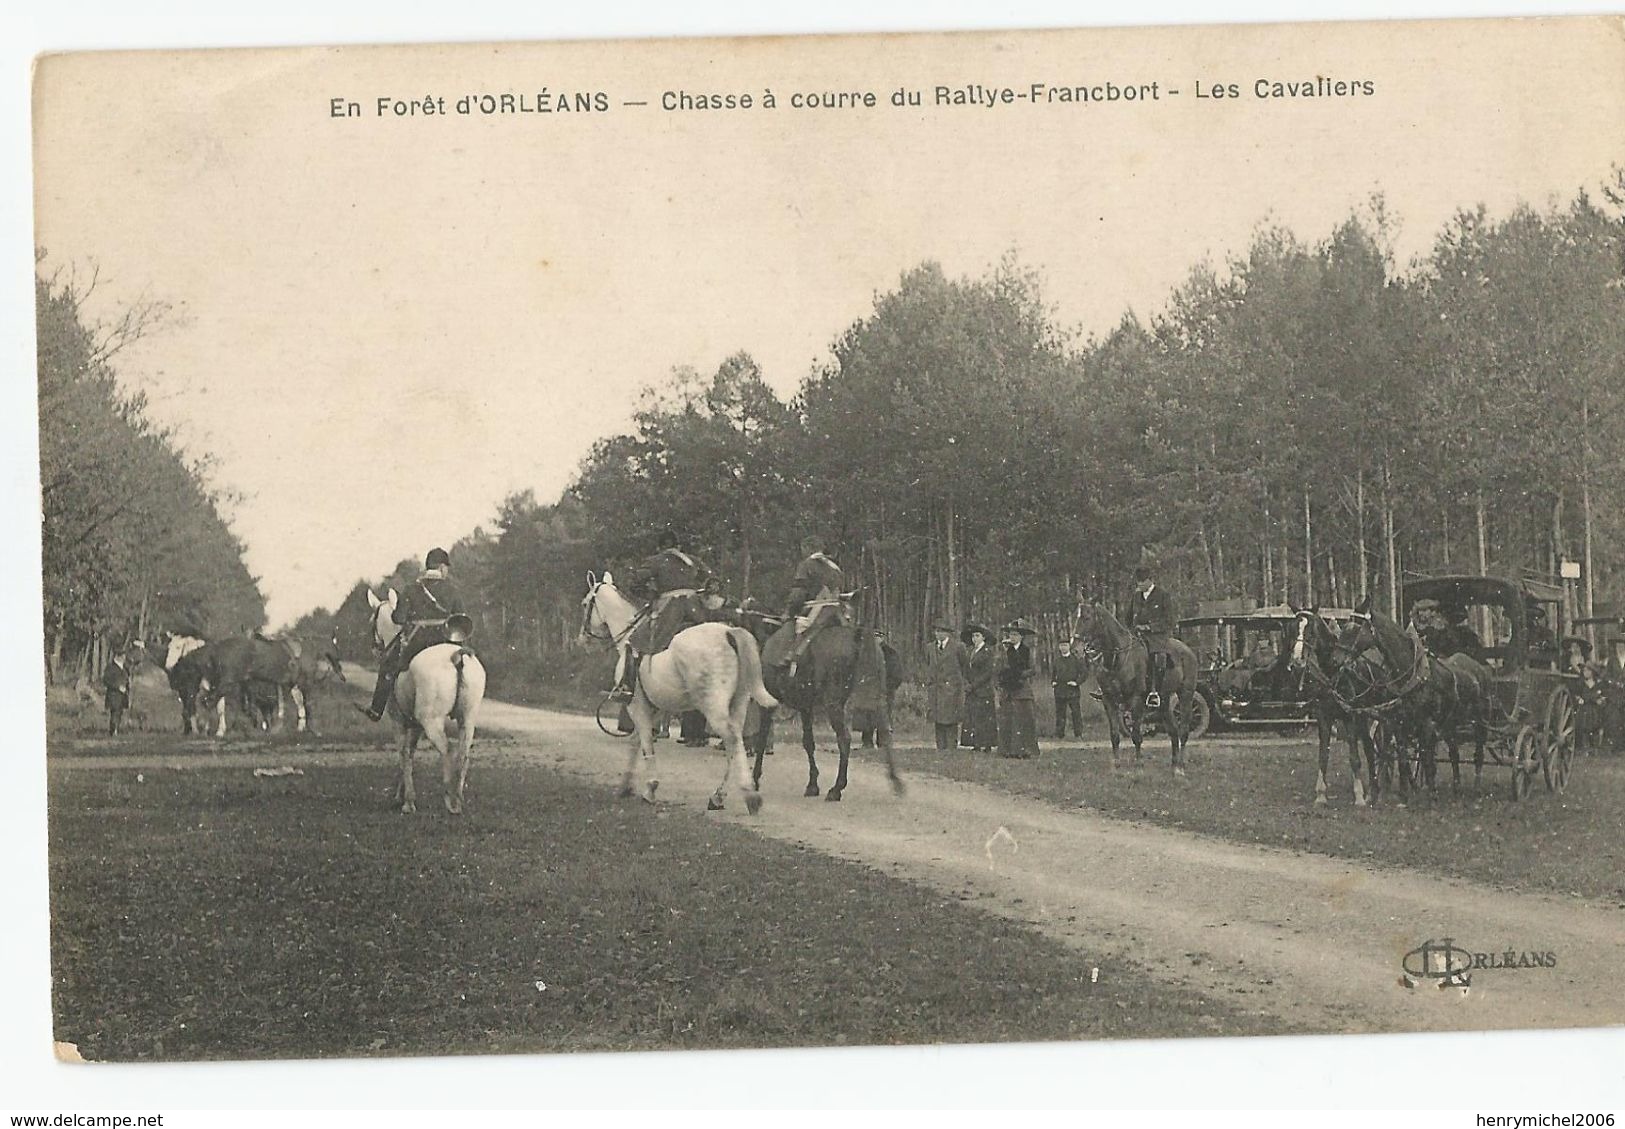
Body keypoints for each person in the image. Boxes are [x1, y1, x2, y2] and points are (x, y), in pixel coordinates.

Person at [360, 547, 471, 721]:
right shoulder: (453, 590)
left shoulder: (412, 589)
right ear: (442, 567)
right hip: (448, 641)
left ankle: (376, 710)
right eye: (446, 568)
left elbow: (398, 619)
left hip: (419, 643)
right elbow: (462, 620)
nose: (446, 572)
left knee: (389, 666)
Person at [613, 529, 717, 699]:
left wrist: (649, 594)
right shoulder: (694, 561)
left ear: (660, 547)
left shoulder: (656, 561)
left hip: (671, 611)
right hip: (697, 611)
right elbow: (714, 581)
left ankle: (626, 688)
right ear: (678, 546)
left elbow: (633, 582)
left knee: (633, 642)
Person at [779, 535, 845, 678]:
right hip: (838, 612)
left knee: (800, 629)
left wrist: (789, 612)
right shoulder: (835, 567)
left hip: (816, 610)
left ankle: (792, 659)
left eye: (802, 549)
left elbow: (798, 594)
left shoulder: (807, 564)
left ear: (807, 548)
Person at [1125, 565, 1175, 708]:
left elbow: (1169, 620)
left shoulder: (1163, 595)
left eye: (1142, 581)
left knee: (1158, 657)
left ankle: (1155, 692)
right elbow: (1128, 617)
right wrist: (1131, 629)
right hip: (1138, 635)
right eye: (1138, 582)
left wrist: (1149, 627)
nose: (1140, 584)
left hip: (1157, 637)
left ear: (1150, 580)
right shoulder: (1136, 597)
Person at [996, 619, 1041, 758]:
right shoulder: (1005, 651)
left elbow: (1034, 669)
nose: (1012, 637)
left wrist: (1019, 675)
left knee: (1024, 720)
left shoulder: (1028, 651)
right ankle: (1007, 750)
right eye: (1011, 634)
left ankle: (1025, 750)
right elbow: (999, 666)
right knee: (1008, 720)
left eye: (1015, 634)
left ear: (1021, 636)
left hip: (1022, 689)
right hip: (1008, 689)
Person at [926, 620, 968, 750]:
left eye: (941, 631)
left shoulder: (958, 647)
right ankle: (940, 747)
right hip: (936, 689)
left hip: (951, 689)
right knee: (938, 719)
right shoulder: (930, 647)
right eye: (936, 631)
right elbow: (929, 665)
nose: (938, 634)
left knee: (950, 720)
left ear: (948, 633)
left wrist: (958, 683)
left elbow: (964, 666)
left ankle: (951, 747)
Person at [961, 623, 997, 752]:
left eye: (977, 636)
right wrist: (966, 683)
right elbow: (965, 669)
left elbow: (987, 673)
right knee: (973, 717)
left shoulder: (988, 651)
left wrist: (974, 685)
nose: (974, 639)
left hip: (983, 690)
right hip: (972, 690)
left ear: (983, 638)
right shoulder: (970, 651)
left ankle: (987, 744)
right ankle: (976, 743)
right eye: (973, 636)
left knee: (985, 718)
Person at [1051, 636, 1085, 739]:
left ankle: (1078, 734)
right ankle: (1059, 734)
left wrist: (1077, 682)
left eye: (1065, 645)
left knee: (1075, 712)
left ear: (1069, 646)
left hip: (1072, 691)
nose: (1063, 648)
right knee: (1060, 713)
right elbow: (1053, 674)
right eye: (1061, 645)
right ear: (1059, 647)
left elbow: (1084, 673)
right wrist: (1053, 682)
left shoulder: (1076, 660)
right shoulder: (1057, 660)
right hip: (1060, 690)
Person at [102, 643, 135, 735]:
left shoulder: (125, 668)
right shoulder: (110, 667)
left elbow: (127, 678)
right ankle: (113, 731)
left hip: (123, 695)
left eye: (124, 656)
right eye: (122, 656)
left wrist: (128, 687)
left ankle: (116, 729)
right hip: (113, 695)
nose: (124, 658)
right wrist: (117, 686)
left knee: (119, 712)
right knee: (115, 712)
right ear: (117, 656)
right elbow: (106, 680)